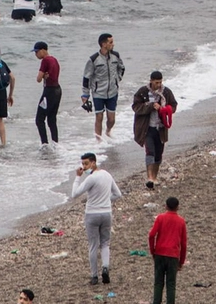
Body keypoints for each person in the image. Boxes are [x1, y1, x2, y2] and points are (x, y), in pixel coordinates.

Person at [72, 152, 123, 285]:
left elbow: (75, 194)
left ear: (93, 162)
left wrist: (77, 178)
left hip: (92, 214)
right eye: (82, 164)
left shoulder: (91, 178)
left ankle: (94, 275)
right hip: (106, 213)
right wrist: (106, 200)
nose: (84, 167)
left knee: (93, 245)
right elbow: (118, 194)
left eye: (86, 164)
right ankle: (105, 267)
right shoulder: (107, 174)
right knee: (105, 243)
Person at [132, 71, 177, 189]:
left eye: (160, 82)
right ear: (151, 81)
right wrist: (150, 106)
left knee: (158, 154)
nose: (158, 85)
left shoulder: (166, 92)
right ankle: (150, 178)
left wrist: (164, 109)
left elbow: (174, 106)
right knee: (150, 152)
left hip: (161, 128)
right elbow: (136, 107)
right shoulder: (142, 92)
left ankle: (155, 177)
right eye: (156, 82)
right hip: (147, 128)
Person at [82, 33, 126, 141]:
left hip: (112, 92)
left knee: (111, 119)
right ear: (103, 44)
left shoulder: (116, 55)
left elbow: (122, 68)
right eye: (110, 42)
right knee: (99, 117)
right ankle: (99, 141)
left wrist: (117, 79)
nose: (113, 44)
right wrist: (85, 95)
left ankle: (108, 131)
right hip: (98, 93)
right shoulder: (93, 59)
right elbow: (86, 77)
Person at [148, 196, 188, 304]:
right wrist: (181, 261)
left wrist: (153, 251)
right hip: (173, 255)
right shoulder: (181, 221)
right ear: (177, 207)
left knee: (158, 282)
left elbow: (151, 235)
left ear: (166, 206)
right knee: (171, 284)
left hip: (160, 253)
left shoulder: (160, 218)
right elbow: (183, 244)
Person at [25, 41, 65, 149]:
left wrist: (42, 76)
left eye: (37, 52)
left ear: (43, 50)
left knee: (39, 119)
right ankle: (55, 143)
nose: (36, 54)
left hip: (49, 92)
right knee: (52, 118)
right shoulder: (54, 60)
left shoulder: (45, 60)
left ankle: (44, 144)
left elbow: (38, 79)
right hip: (57, 90)